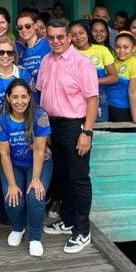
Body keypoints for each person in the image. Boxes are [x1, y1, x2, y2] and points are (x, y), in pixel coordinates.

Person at [37, 20, 98, 254]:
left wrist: (87, 132)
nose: (55, 41)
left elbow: (92, 98)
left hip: (75, 126)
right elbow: (42, 92)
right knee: (62, 177)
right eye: (51, 37)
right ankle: (68, 220)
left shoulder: (81, 63)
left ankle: (82, 231)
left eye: (60, 37)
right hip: (52, 125)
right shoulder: (46, 61)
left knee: (78, 178)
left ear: (69, 37)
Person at [0, 78, 53, 257]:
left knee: (35, 196)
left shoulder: (39, 115)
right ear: (8, 98)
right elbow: (4, 154)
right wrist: (11, 184)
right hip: (14, 163)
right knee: (13, 198)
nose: (20, 102)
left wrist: (35, 179)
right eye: (15, 97)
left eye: (24, 97)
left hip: (38, 161)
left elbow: (40, 150)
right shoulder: (0, 118)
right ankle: (18, 228)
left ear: (30, 97)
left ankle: (34, 237)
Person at [70, 21, 117, 123]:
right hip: (75, 99)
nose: (78, 37)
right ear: (69, 37)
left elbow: (114, 77)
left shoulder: (102, 50)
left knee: (99, 131)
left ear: (87, 33)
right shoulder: (69, 53)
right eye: (74, 35)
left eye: (81, 33)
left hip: (99, 96)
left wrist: (92, 81)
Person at [106, 32, 136, 124]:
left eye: (125, 47)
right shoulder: (112, 62)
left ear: (133, 48)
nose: (121, 50)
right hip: (106, 106)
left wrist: (135, 118)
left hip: (121, 110)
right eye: (118, 47)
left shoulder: (135, 64)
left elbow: (133, 91)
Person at [0, 37, 33, 105]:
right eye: (1, 52)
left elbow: (33, 103)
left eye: (10, 53)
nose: (5, 56)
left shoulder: (24, 75)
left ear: (14, 56)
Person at [16, 11, 51, 82]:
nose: (24, 30)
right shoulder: (21, 51)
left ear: (35, 26)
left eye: (27, 26)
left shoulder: (48, 43)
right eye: (20, 27)